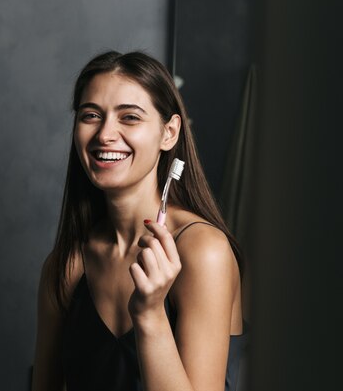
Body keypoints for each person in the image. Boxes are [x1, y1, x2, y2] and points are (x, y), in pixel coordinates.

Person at [31, 51, 246, 391]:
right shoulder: (67, 265)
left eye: (129, 117)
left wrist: (149, 315)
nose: (105, 134)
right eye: (91, 116)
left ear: (169, 133)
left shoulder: (204, 253)